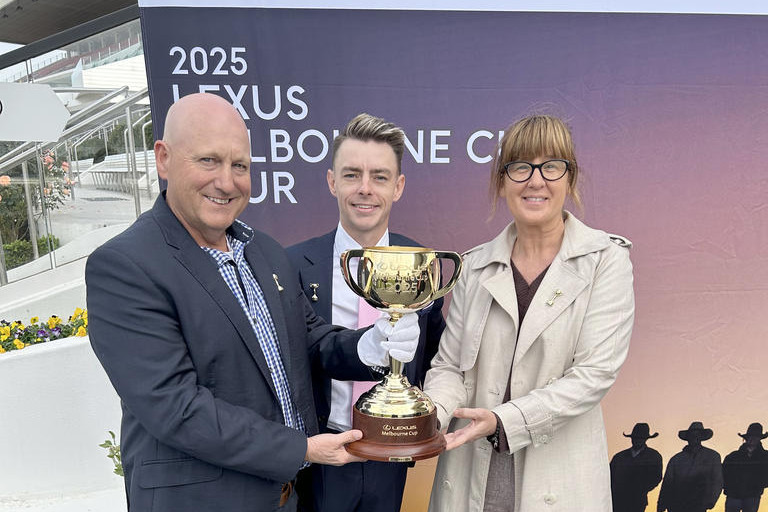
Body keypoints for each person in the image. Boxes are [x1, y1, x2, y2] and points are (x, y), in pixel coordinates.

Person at [85, 93, 421, 512]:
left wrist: (368, 346)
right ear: (163, 159)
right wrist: (303, 449)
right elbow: (177, 408)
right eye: (208, 160)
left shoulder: (264, 251)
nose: (226, 182)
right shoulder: (125, 266)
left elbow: (310, 341)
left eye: (239, 166)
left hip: (285, 499)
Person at [422, 114, 635, 511]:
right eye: (521, 167)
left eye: (551, 166)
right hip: (468, 479)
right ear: (502, 181)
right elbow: (450, 366)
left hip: (559, 484)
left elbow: (594, 374)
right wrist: (430, 416)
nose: (536, 181)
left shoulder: (606, 260)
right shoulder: (474, 265)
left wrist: (504, 421)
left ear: (570, 178)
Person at [286, 113, 446, 512]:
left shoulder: (422, 264)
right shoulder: (293, 265)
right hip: (321, 454)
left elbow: (435, 356)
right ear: (332, 181)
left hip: (393, 454)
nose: (365, 189)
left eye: (379, 176)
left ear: (398, 186)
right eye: (352, 174)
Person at [657, 421, 723, 512]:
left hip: (699, 504)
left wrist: (711, 500)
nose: (694, 437)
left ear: (701, 437)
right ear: (688, 438)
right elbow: (667, 484)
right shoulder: (676, 459)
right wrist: (661, 504)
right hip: (676, 504)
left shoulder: (712, 456)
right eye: (692, 435)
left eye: (697, 435)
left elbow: (717, 480)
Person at [610, 423, 663, 512]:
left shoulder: (653, 456)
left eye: (640, 438)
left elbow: (656, 477)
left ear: (645, 439)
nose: (637, 440)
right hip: (618, 500)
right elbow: (609, 477)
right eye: (635, 437)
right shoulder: (619, 457)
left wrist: (641, 489)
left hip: (638, 501)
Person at [722, 422, 768, 512]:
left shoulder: (765, 456)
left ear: (759, 439)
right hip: (733, 495)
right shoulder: (732, 456)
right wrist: (729, 488)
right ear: (746, 438)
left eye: (755, 436)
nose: (752, 438)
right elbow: (723, 474)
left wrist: (758, 485)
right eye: (750, 436)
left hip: (753, 495)